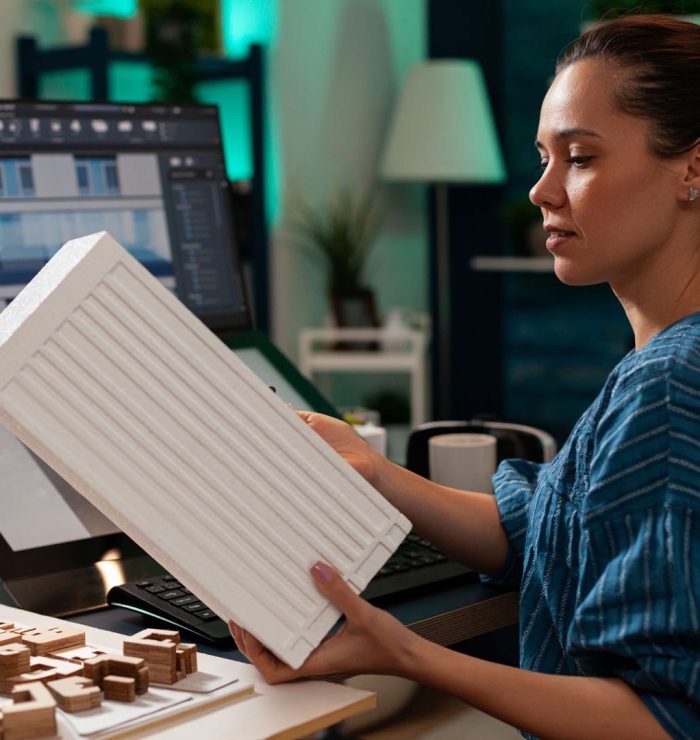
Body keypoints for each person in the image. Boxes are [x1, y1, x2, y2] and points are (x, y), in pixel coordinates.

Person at [230, 14, 700, 739]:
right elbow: (552, 525)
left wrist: (406, 654)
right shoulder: (665, 364)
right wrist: (377, 472)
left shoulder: (670, 384)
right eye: (543, 157)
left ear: (693, 170)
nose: (543, 191)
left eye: (579, 158)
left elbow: (661, 721)